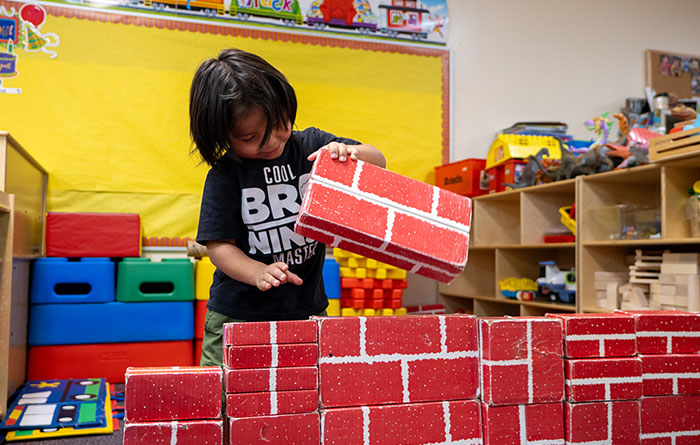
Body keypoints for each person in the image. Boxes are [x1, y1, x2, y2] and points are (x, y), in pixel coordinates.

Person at [189, 48, 386, 366]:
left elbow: (379, 161)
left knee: (305, 392)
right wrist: (257, 272)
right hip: (239, 313)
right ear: (222, 135)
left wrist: (351, 154)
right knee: (227, 395)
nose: (270, 141)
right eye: (251, 137)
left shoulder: (312, 145)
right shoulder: (227, 174)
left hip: (306, 309)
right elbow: (219, 247)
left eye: (279, 124)